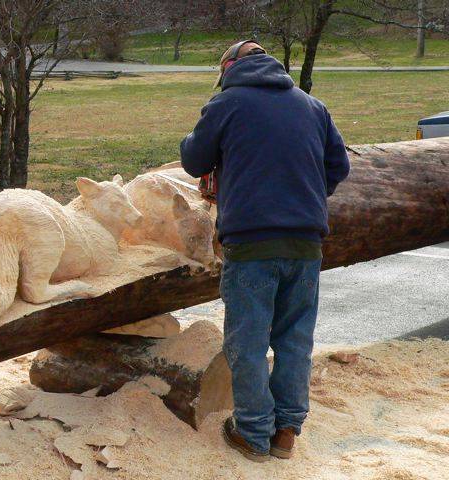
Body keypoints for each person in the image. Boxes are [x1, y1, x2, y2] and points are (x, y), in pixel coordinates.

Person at [180, 40, 350, 462]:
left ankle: (253, 433)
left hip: (251, 243)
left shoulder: (226, 104)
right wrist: (306, 194)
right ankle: (287, 431)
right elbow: (339, 167)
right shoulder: (313, 106)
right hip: (306, 243)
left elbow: (193, 158)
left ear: (229, 69)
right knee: (294, 340)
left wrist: (198, 137)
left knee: (249, 341)